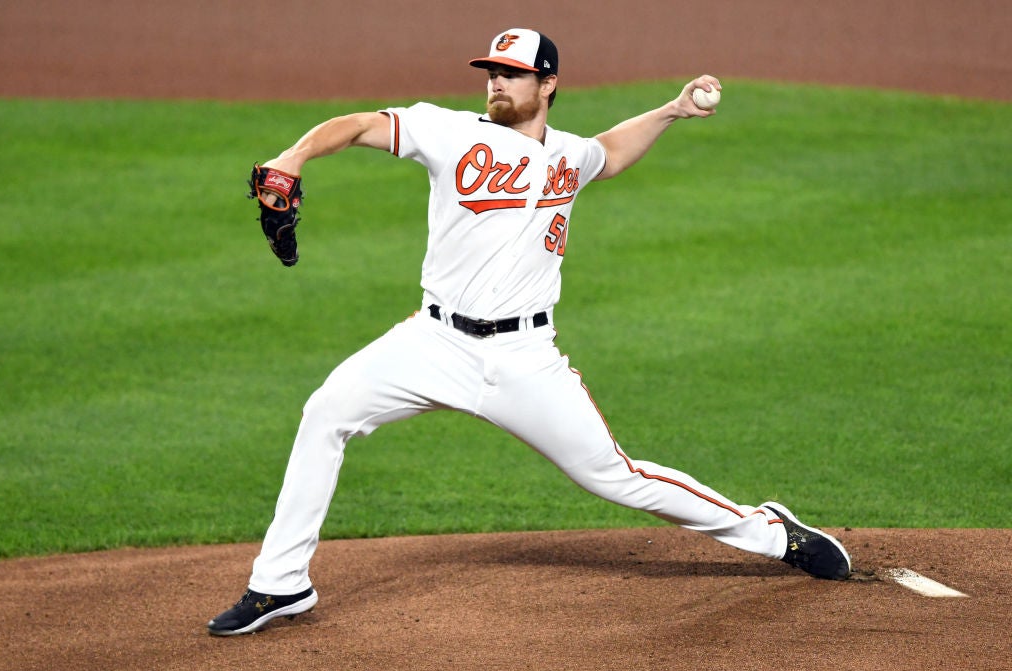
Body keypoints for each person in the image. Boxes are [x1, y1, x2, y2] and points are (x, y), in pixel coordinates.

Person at [207, 28, 851, 637]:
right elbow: (358, 126)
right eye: (493, 72)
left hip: (524, 358)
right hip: (432, 344)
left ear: (547, 85)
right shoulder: (448, 131)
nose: (497, 83)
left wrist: (673, 110)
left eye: (513, 74)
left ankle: (772, 532)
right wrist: (293, 155)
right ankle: (281, 581)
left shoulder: (569, 154)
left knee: (615, 475)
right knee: (326, 412)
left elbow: (612, 153)